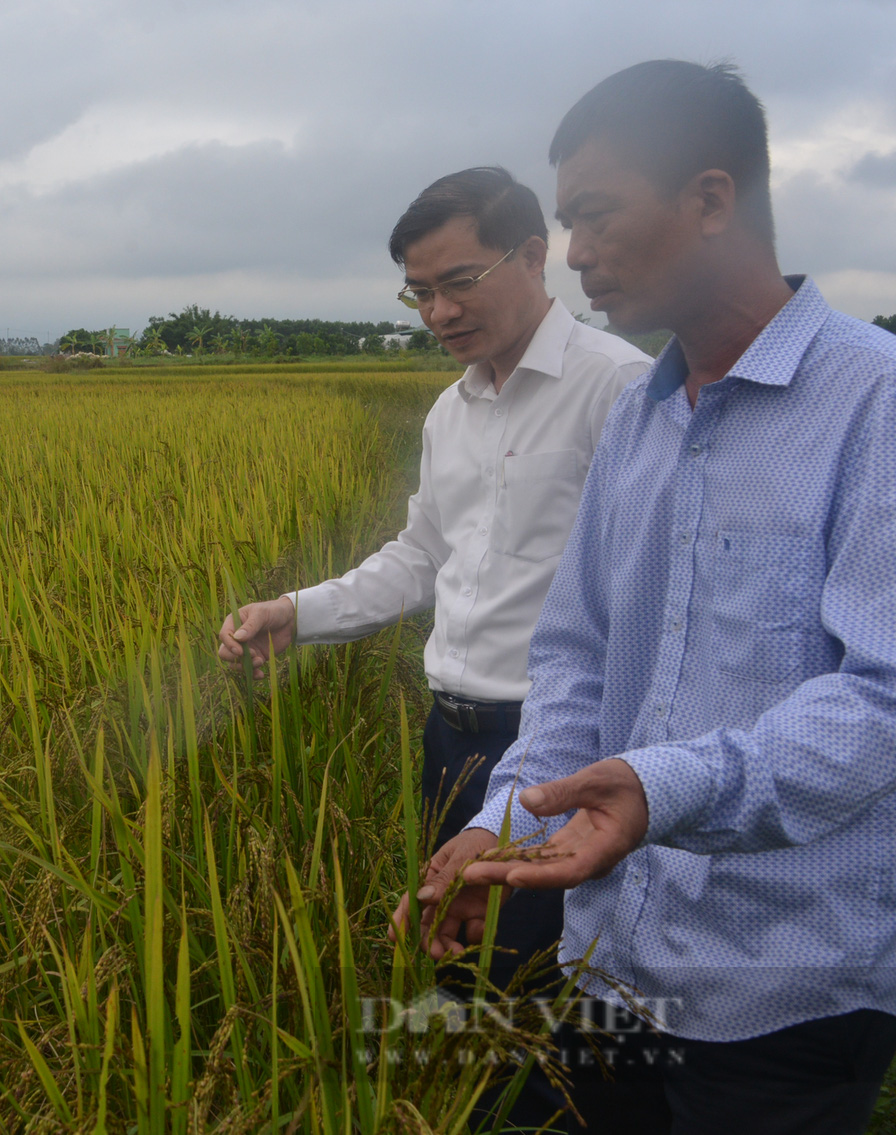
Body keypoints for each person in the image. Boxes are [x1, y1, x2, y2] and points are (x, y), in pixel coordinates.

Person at [410, 61, 896, 1134]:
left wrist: (655, 788)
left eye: (593, 215)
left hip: (788, 976)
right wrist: (503, 833)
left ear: (710, 200)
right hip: (615, 951)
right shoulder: (638, 417)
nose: (573, 251)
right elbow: (574, 659)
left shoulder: (884, 401)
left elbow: (891, 696)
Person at [217, 165, 650, 990]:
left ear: (534, 256)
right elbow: (422, 556)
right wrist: (293, 612)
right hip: (449, 739)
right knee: (459, 954)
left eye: (459, 282)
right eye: (418, 292)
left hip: (560, 742)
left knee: (544, 975)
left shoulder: (617, 388)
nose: (438, 313)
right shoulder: (451, 411)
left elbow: (651, 597)